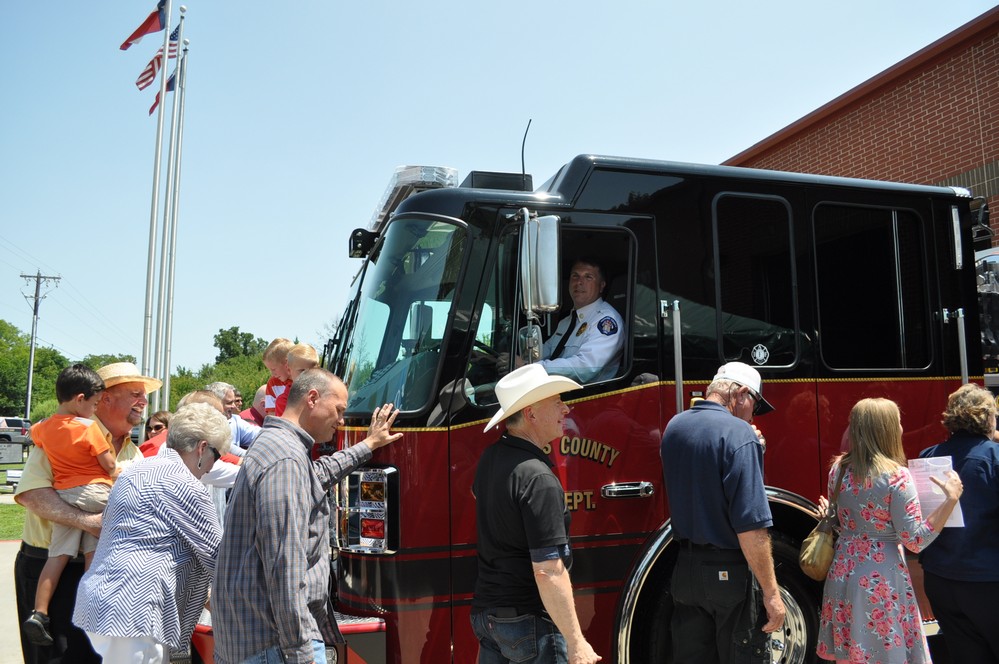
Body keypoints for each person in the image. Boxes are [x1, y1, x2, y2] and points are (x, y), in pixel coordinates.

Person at [212, 368, 403, 664]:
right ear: (312, 398)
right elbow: (284, 566)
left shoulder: (275, 447)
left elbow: (316, 475)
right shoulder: (286, 459)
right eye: (339, 410)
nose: (341, 421)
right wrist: (300, 653)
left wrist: (367, 446)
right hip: (274, 646)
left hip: (257, 640)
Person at [14, 361, 161, 664]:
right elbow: (31, 494)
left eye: (144, 395)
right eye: (135, 393)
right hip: (52, 569)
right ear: (103, 399)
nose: (143, 402)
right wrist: (90, 523)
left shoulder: (135, 452)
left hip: (103, 575)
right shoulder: (64, 436)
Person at [73, 402, 232, 663]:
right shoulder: (185, 484)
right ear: (203, 448)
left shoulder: (136, 470)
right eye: (218, 456)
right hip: (135, 609)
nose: (213, 466)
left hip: (104, 601)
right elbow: (220, 559)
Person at [815, 397, 963, 663]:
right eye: (898, 422)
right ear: (886, 429)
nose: (902, 428)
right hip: (879, 577)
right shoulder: (896, 476)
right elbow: (915, 539)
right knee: (885, 654)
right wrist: (950, 500)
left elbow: (842, 521)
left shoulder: (839, 469)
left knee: (852, 655)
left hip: (843, 570)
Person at [470, 363, 601, 664]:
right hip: (529, 624)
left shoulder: (490, 458)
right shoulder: (538, 479)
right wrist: (576, 641)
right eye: (556, 402)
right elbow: (548, 570)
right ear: (530, 414)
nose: (566, 409)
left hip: (487, 618)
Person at [660, 361, 782, 663]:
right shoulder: (740, 434)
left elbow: (702, 482)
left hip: (685, 571)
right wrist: (771, 593)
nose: (753, 415)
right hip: (728, 574)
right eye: (753, 404)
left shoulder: (675, 426)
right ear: (740, 394)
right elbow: (751, 526)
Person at [21, 365, 118, 647]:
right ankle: (93, 609)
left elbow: (35, 437)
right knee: (94, 551)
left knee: (57, 556)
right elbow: (109, 466)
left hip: (65, 494)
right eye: (96, 403)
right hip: (95, 492)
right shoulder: (90, 428)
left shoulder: (42, 428)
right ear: (79, 399)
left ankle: (39, 613)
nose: (96, 409)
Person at [917, 383, 999, 662]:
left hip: (941, 581)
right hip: (988, 581)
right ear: (987, 417)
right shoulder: (994, 458)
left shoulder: (928, 457)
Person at [538, 257, 624, 383]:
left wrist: (535, 369)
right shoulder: (566, 322)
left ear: (601, 286)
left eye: (588, 277)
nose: (579, 282)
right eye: (575, 276)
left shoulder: (607, 321)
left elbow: (585, 366)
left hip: (589, 398)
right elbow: (544, 352)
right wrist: (520, 362)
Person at [206, 381, 259, 450]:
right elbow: (226, 451)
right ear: (215, 402)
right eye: (229, 403)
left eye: (234, 402)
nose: (234, 406)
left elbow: (259, 435)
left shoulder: (235, 420)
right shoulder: (202, 424)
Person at [274, 342, 320, 415]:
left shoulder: (323, 396)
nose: (308, 375)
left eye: (312, 370)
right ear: (289, 369)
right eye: (302, 371)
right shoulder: (284, 402)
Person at [262, 337, 294, 416]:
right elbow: (271, 414)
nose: (272, 374)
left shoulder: (303, 379)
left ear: (287, 363)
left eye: (273, 369)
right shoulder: (273, 383)